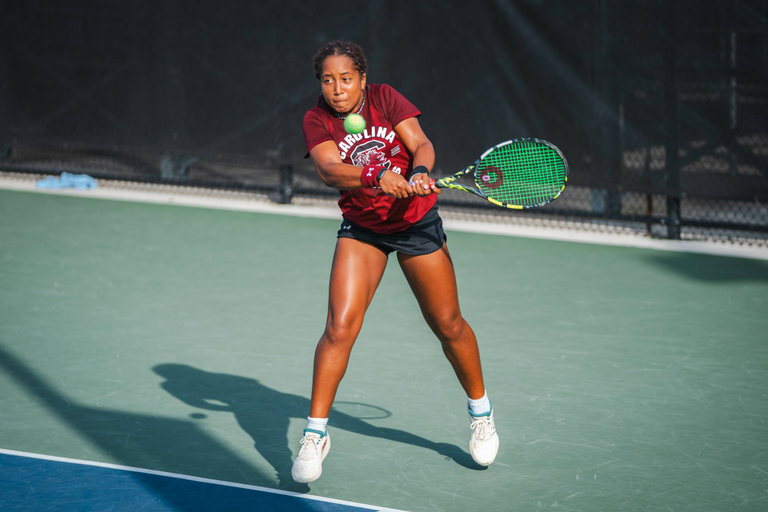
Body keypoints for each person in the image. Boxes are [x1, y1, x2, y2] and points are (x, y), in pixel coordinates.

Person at [292, 40, 498, 484]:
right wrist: (376, 176)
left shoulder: (386, 98)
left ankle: (480, 413)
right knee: (338, 328)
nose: (337, 89)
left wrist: (420, 172)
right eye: (328, 80)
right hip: (363, 228)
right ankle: (315, 434)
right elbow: (329, 171)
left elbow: (420, 144)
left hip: (415, 224)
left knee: (448, 324)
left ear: (363, 79)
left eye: (346, 78)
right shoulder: (317, 119)